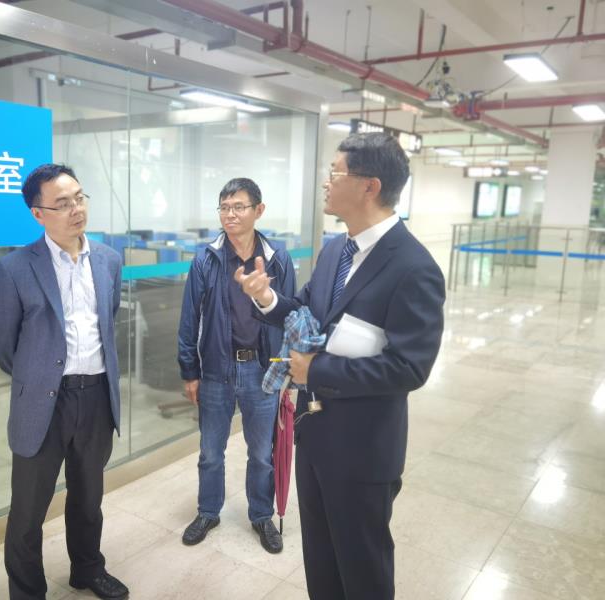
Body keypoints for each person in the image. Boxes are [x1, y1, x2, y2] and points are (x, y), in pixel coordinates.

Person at [235, 132, 445, 599]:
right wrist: (266, 297)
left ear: (370, 186)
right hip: (314, 439)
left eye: (335, 172)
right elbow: (306, 311)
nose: (326, 182)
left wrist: (317, 372)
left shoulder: (414, 267)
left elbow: (410, 368)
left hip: (362, 450)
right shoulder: (336, 250)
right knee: (322, 563)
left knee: (363, 571)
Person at [0, 164, 128, 600]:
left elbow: (108, 320)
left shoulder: (108, 260)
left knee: (88, 498)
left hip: (96, 396)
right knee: (28, 511)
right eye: (62, 203)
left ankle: (88, 569)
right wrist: (39, 375)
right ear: (38, 214)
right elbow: (3, 342)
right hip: (43, 402)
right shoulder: (14, 268)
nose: (76, 209)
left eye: (79, 198)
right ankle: (27, 592)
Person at [178, 177, 296, 553]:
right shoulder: (206, 259)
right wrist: (189, 370)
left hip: (261, 369)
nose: (230, 214)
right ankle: (208, 511)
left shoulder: (277, 258)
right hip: (217, 369)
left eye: (238, 207)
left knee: (261, 453)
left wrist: (287, 370)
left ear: (258, 210)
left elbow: (291, 315)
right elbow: (189, 319)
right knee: (210, 451)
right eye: (225, 208)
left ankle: (261, 516)